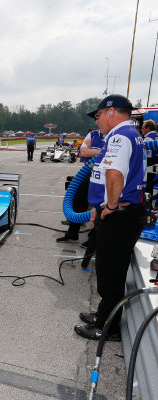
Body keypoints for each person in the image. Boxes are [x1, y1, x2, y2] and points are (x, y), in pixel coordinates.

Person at [74, 94, 146, 341]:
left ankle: (109, 327)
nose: (97, 121)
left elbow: (114, 174)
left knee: (111, 272)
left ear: (111, 112)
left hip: (119, 215)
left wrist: (111, 207)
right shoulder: (129, 134)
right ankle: (104, 314)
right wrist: (98, 205)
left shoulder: (119, 135)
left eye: (98, 115)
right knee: (107, 269)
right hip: (118, 212)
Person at [57, 128, 104, 244]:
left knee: (101, 205)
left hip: (107, 173)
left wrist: (92, 151)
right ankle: (72, 233)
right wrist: (103, 152)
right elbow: (83, 152)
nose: (98, 121)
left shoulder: (116, 134)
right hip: (89, 171)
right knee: (77, 200)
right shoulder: (93, 134)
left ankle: (94, 238)